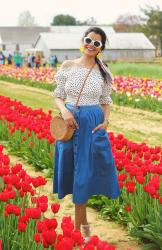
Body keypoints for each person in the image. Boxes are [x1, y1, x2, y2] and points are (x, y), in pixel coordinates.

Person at [53, 26, 121, 242]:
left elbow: (106, 101)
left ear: (101, 48)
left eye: (97, 43)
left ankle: (78, 228)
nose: (91, 44)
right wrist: (64, 111)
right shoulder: (68, 65)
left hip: (92, 123)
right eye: (89, 40)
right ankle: (82, 224)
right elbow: (58, 95)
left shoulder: (103, 70)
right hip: (70, 122)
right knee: (73, 172)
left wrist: (105, 122)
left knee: (84, 173)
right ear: (83, 41)